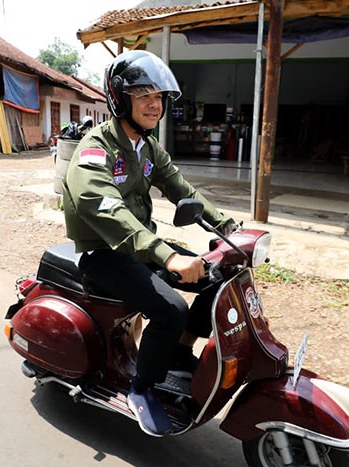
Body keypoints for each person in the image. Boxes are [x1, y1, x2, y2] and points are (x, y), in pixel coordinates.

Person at [61, 50, 236, 437]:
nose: (154, 105)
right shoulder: (96, 149)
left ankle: (178, 351)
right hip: (103, 254)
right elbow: (106, 208)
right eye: (143, 96)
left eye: (159, 97)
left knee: (217, 278)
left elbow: (182, 189)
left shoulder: (148, 148)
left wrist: (228, 226)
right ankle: (141, 388)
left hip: (140, 248)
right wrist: (168, 256)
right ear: (120, 99)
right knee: (171, 309)